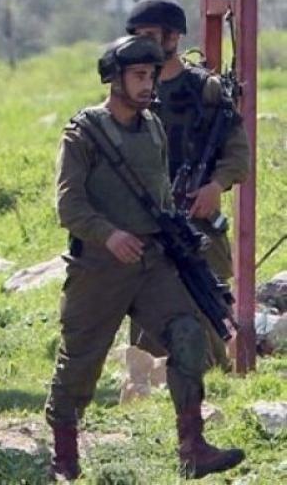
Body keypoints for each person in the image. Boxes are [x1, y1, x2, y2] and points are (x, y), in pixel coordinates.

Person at [45, 34, 245, 480]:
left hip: (151, 260)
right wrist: (109, 234)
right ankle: (64, 459)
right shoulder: (84, 133)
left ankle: (193, 447)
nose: (147, 84)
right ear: (114, 78)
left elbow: (160, 194)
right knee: (79, 363)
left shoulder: (153, 126)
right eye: (138, 75)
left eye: (152, 75)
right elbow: (68, 206)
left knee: (188, 335)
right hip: (99, 267)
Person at [125, 0, 251, 370]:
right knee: (147, 320)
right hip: (146, 224)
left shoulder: (205, 91)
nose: (143, 44)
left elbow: (238, 156)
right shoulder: (130, 91)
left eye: (150, 35)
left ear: (173, 37)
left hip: (196, 223)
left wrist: (215, 186)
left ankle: (213, 379)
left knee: (204, 304)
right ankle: (152, 382)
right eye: (138, 36)